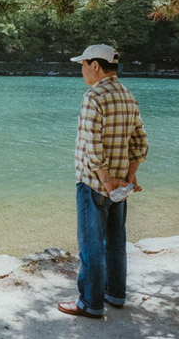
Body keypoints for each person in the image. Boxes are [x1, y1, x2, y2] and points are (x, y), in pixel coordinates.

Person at [58, 44, 148, 319]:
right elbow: (140, 143)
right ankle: (115, 294)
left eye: (83, 64)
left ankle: (90, 302)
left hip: (94, 184)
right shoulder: (127, 95)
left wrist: (106, 181)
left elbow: (92, 147)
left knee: (91, 244)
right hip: (120, 184)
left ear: (95, 65)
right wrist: (130, 176)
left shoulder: (93, 96)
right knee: (116, 241)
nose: (82, 70)